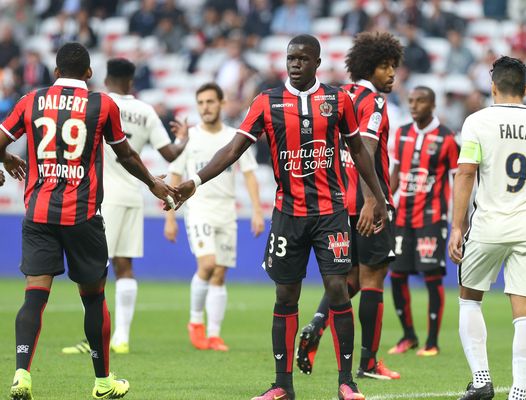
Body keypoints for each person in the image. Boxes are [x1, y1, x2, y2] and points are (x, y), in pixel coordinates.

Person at [174, 34, 388, 400]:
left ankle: (346, 382)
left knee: (338, 289)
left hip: (330, 213)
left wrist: (376, 198)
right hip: (288, 214)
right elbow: (233, 148)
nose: (295, 64)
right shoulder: (266, 101)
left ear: (317, 62)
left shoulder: (337, 100)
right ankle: (282, 385)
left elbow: (359, 150)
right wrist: (195, 181)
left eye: (303, 58)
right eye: (291, 58)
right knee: (286, 295)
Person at [0, 42, 176, 400]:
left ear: (54, 73)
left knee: (35, 295)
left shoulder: (31, 100)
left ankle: (21, 375)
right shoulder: (102, 104)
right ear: (90, 74)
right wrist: (153, 183)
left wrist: (4, 158)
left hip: (38, 213)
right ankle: (102, 382)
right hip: (82, 215)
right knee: (94, 299)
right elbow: (124, 154)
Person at [448, 56, 526, 400]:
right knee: (525, 316)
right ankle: (519, 394)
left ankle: (481, 379)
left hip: (486, 227)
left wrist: (457, 228)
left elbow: (466, 173)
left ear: (493, 87)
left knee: (469, 300)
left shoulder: (477, 122)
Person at [61, 57, 189, 356]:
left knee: (96, 269)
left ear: (106, 79)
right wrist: (182, 137)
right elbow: (171, 154)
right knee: (125, 267)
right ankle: (120, 337)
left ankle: (96, 338)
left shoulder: (97, 103)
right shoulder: (145, 111)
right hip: (134, 194)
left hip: (101, 196)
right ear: (132, 81)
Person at [296, 31, 403, 381]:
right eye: (386, 66)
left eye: (393, 67)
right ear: (369, 67)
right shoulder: (374, 102)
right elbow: (367, 149)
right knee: (373, 279)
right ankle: (369, 362)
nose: (391, 74)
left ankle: (315, 325)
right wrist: (375, 201)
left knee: (350, 279)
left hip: (337, 203)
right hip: (367, 203)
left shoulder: (338, 96)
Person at [163, 82, 265, 352]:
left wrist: (256, 209)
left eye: (210, 102)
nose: (205, 107)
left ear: (221, 103)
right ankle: (196, 322)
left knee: (220, 273)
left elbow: (250, 174)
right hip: (199, 208)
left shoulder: (235, 137)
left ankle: (214, 334)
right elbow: (174, 175)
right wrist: (170, 217)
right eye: (201, 103)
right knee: (207, 264)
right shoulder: (188, 138)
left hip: (226, 210)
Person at [386, 86, 459, 357]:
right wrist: (385, 202)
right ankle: (408, 336)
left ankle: (432, 342)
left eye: (420, 101)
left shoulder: (447, 138)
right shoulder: (402, 133)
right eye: (411, 101)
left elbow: (457, 179)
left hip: (432, 217)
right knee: (397, 275)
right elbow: (395, 172)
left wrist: (458, 221)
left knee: (431, 277)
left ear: (433, 104)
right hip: (402, 216)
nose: (414, 105)